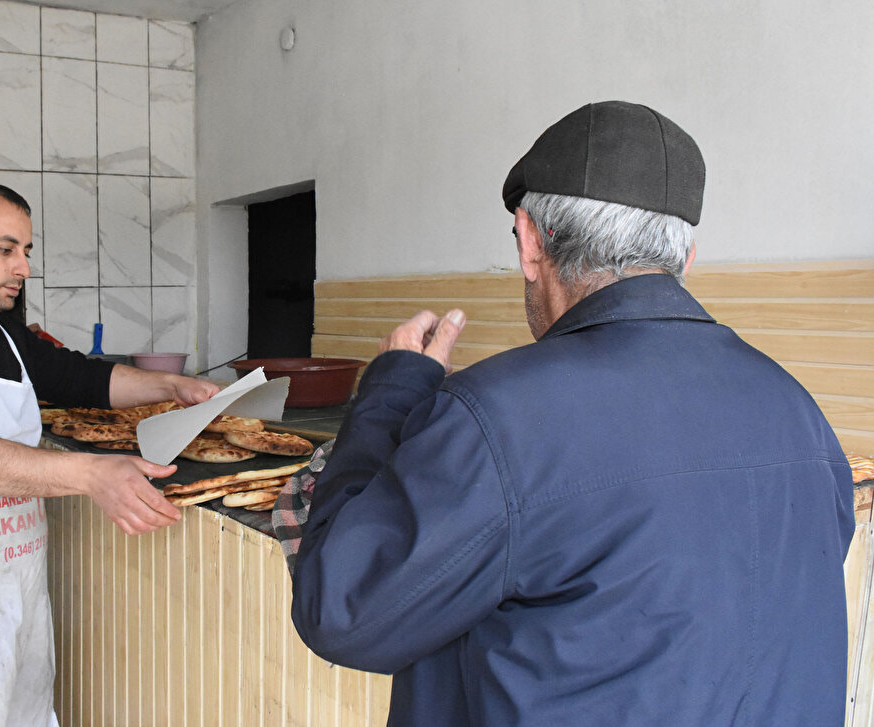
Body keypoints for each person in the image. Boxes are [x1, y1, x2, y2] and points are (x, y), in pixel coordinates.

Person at [288, 102, 855, 725]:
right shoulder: (799, 409)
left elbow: (340, 611)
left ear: (531, 242)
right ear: (686, 257)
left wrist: (392, 391)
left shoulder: (498, 416)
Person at [0, 183, 218, 727]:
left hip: (15, 578)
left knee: (25, 715)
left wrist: (171, 385)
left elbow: (81, 377)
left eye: (26, 251)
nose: (22, 266)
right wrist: (92, 473)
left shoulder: (2, 333)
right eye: (5, 250)